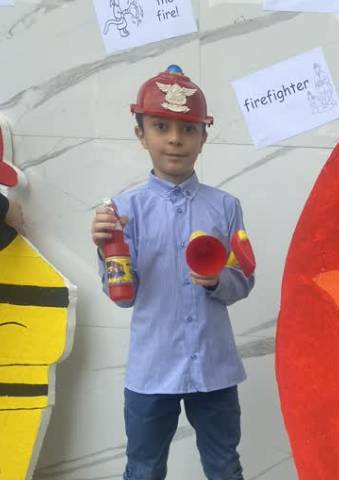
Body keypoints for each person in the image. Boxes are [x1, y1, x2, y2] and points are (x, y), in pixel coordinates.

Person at [90, 65, 254, 480]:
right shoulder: (124, 211)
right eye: (161, 126)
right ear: (141, 134)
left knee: (224, 466)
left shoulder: (225, 207)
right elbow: (123, 296)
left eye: (188, 129)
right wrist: (107, 249)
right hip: (151, 370)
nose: (175, 139)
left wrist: (217, 281)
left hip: (214, 368)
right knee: (143, 468)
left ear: (204, 138)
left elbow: (244, 279)